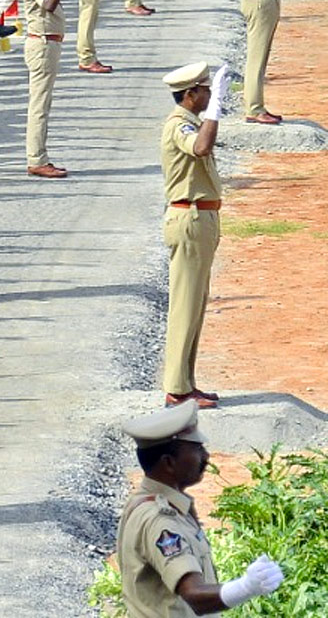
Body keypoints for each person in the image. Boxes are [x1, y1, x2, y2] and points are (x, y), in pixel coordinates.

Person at [117, 399, 285, 614]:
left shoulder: (146, 501)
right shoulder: (160, 520)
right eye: (197, 449)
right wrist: (246, 587)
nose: (205, 457)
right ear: (169, 462)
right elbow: (194, 595)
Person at [159, 61, 229, 409]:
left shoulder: (189, 122)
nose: (207, 97)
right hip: (189, 217)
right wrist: (215, 111)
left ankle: (186, 383)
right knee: (185, 305)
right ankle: (176, 388)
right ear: (190, 94)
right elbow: (200, 148)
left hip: (201, 216)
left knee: (196, 305)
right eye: (204, 92)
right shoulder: (178, 126)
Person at [21, 0, 74, 179]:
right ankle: (36, 159)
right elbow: (48, 4)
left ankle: (40, 155)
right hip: (41, 45)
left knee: (44, 103)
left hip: (49, 44)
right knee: (39, 105)